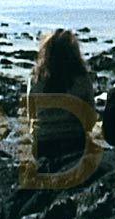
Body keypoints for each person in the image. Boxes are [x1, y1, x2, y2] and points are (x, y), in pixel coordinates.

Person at [27, 29, 95, 160]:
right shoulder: (82, 79)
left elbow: (31, 115)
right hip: (74, 142)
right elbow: (90, 119)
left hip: (43, 145)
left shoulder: (36, 78)